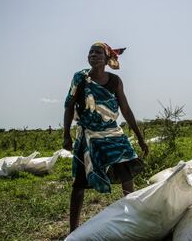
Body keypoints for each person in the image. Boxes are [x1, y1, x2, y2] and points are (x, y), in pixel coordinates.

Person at [63, 42, 149, 232]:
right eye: (90, 52)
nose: (93, 55)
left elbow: (125, 109)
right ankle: (72, 230)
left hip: (112, 133)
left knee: (127, 173)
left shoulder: (115, 81)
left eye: (98, 52)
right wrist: (66, 135)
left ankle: (132, 218)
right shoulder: (80, 79)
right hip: (88, 135)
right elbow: (69, 106)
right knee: (79, 183)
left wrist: (140, 138)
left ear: (107, 58)